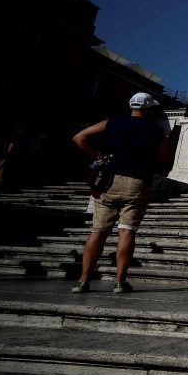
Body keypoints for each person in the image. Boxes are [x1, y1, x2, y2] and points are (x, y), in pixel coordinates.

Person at [71, 92, 169, 294]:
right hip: (137, 182)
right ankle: (119, 281)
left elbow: (79, 137)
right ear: (149, 110)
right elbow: (164, 160)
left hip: (108, 181)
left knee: (98, 231)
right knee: (127, 231)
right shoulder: (156, 131)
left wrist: (97, 155)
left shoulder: (111, 123)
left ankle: (83, 280)